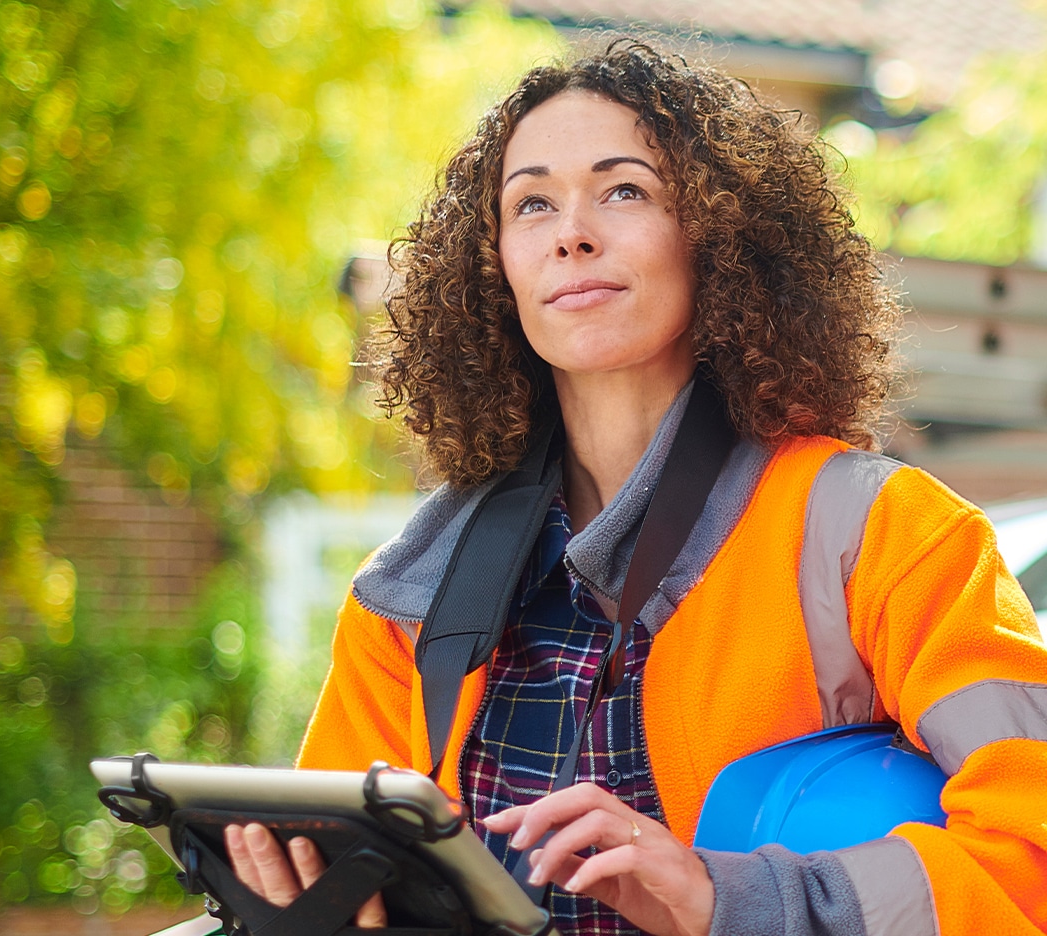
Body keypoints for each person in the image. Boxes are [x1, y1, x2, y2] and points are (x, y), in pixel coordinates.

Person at [227, 38, 1047, 936]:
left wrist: (722, 896)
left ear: (721, 239)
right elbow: (335, 877)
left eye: (625, 190)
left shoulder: (883, 533)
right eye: (531, 203)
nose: (573, 233)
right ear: (495, 266)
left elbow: (1029, 848)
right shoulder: (405, 596)